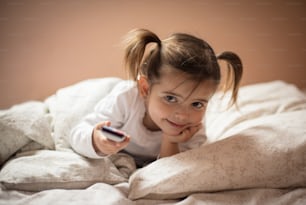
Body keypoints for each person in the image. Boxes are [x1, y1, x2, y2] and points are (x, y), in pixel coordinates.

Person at [69, 28, 243, 167]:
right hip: (105, 94)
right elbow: (77, 132)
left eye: (197, 104)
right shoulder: (126, 99)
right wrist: (96, 140)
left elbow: (170, 174)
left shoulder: (193, 132)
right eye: (171, 98)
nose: (182, 115)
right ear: (145, 88)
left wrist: (171, 140)